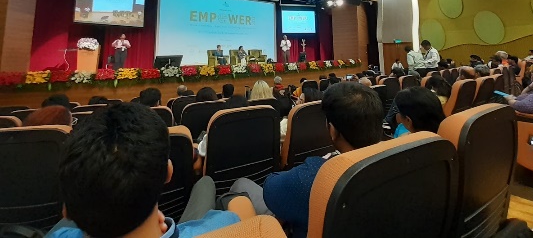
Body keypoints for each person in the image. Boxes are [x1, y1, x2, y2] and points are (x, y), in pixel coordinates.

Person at [48, 103, 239, 237]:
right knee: (208, 184)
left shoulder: (59, 234)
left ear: (66, 211)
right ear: (168, 172)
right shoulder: (226, 226)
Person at [230, 83, 383, 238]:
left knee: (241, 184)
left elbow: (271, 187)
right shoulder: (399, 158)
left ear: (332, 130)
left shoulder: (314, 176)